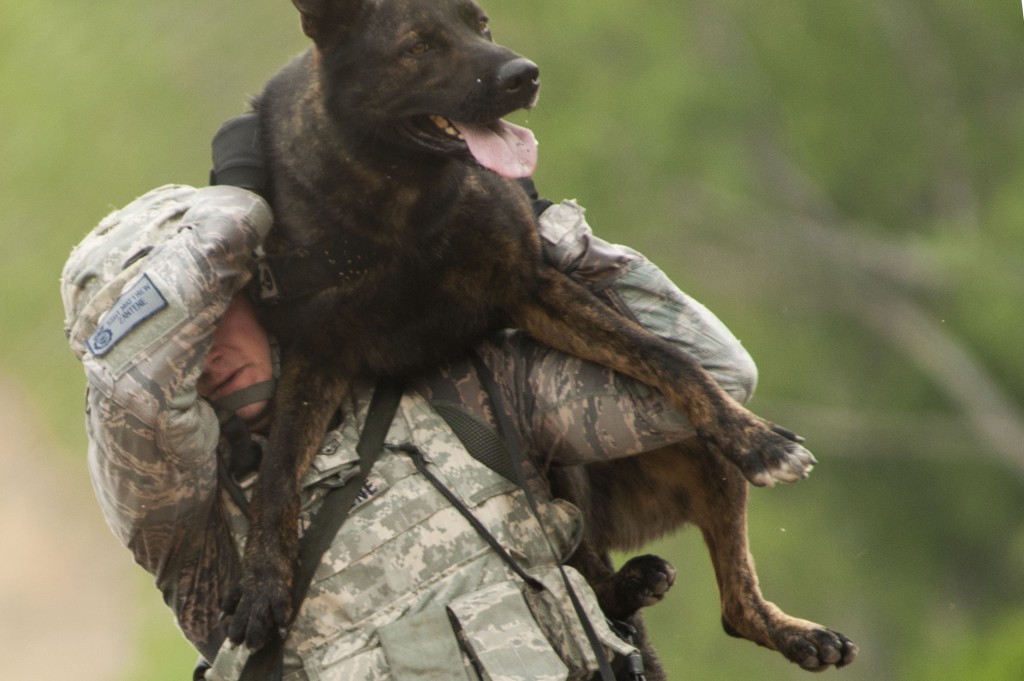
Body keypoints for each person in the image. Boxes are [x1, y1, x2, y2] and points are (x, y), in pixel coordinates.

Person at [60, 119, 759, 681]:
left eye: (216, 318)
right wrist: (252, 208)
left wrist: (531, 228)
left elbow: (713, 380)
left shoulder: (458, 389)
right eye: (178, 348)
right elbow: (136, 392)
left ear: (257, 289)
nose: (202, 357)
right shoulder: (184, 513)